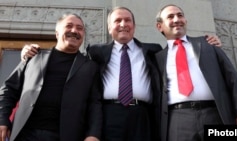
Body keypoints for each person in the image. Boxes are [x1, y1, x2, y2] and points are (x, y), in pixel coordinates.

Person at [19, 7, 222, 141]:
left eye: (127, 20)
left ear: (134, 26)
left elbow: (180, 52)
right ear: (109, 28)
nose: (123, 24)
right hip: (109, 115)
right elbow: (69, 57)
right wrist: (30, 51)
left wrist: (206, 42)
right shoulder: (96, 51)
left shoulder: (153, 50)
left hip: (143, 116)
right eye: (117, 21)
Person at [154, 4, 237, 141]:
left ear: (185, 21)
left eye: (180, 15)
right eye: (170, 17)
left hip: (214, 115)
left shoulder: (208, 44)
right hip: (178, 120)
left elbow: (232, 78)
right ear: (160, 26)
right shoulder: (157, 58)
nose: (176, 19)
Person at [0, 13, 102, 141]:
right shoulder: (34, 56)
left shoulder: (90, 67)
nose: (74, 31)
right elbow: (8, 89)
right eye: (69, 26)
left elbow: (95, 104)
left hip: (64, 136)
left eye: (80, 28)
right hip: (24, 133)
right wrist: (2, 119)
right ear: (57, 33)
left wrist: (93, 134)